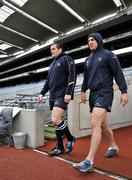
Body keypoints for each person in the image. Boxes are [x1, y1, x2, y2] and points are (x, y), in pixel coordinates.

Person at [73, 32, 128, 172]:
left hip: (105, 92)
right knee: (103, 125)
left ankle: (89, 161)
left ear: (98, 41)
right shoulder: (87, 59)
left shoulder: (108, 55)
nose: (90, 42)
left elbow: (118, 73)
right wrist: (84, 90)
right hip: (93, 94)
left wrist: (124, 91)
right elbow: (86, 77)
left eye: (93, 40)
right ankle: (113, 146)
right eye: (88, 40)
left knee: (94, 123)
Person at [37, 42, 76, 156]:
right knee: (56, 123)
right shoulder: (52, 64)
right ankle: (60, 147)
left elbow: (72, 75)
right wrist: (41, 93)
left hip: (62, 94)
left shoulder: (66, 59)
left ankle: (70, 138)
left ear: (60, 49)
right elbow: (48, 82)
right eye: (51, 49)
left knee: (54, 119)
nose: (51, 51)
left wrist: (69, 92)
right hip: (53, 96)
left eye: (53, 49)